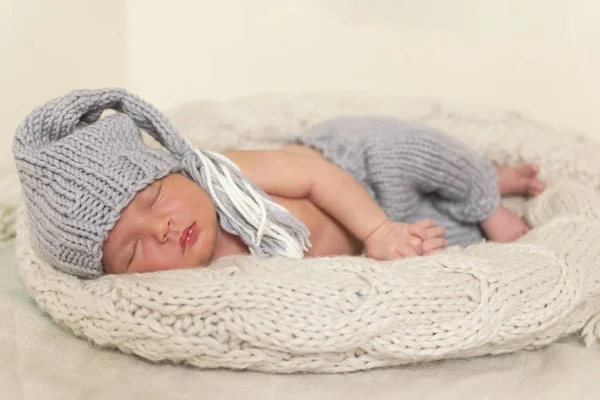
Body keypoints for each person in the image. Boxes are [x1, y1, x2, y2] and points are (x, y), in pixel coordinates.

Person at [13, 89, 544, 278]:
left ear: (173, 166)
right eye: (130, 253)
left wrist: (380, 230)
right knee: (439, 239)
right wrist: (383, 243)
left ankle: (484, 188)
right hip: (367, 240)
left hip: (353, 166)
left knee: (415, 152)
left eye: (152, 196)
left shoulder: (224, 174)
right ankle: (466, 206)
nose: (162, 228)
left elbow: (317, 178)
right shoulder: (200, 283)